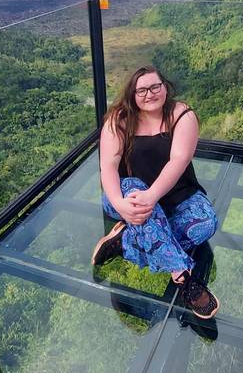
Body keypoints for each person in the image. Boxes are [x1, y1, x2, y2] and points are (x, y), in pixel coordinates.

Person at [92, 65, 220, 319]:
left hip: (175, 195)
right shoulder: (118, 121)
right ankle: (183, 275)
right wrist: (119, 203)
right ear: (132, 94)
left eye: (155, 87)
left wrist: (153, 197)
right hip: (128, 195)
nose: (149, 94)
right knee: (138, 194)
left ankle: (126, 242)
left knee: (207, 223)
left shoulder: (181, 115)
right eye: (142, 90)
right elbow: (107, 167)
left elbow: (179, 161)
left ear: (165, 87)